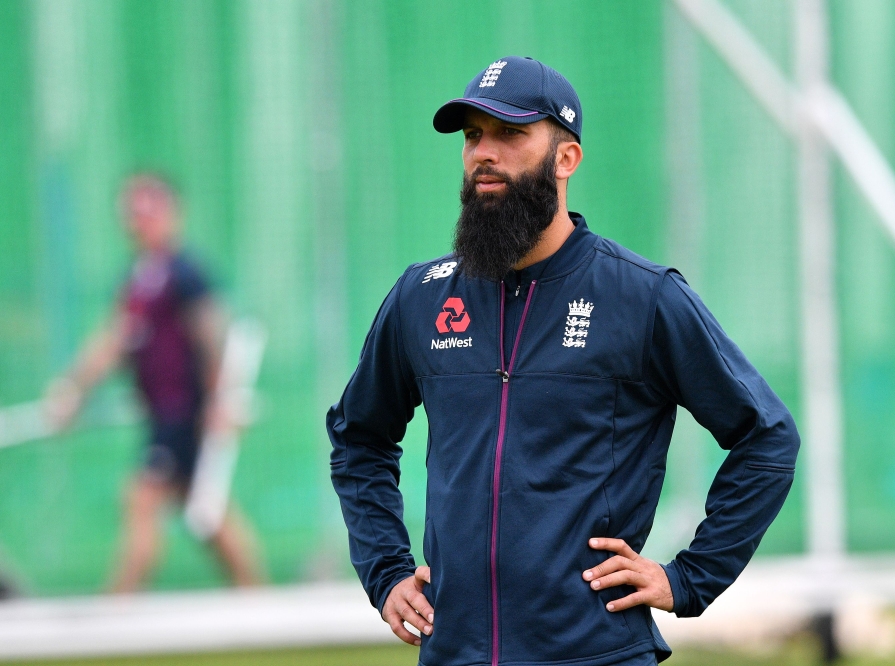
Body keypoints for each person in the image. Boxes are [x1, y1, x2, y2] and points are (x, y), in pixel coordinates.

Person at [328, 57, 800, 665]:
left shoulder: (643, 296)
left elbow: (766, 438)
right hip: (455, 654)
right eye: (473, 136)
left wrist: (689, 577)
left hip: (596, 653)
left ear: (566, 158)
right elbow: (358, 438)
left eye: (510, 133)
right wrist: (387, 571)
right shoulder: (422, 297)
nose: (483, 154)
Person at [46, 174, 264, 593]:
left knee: (142, 500)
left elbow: (213, 336)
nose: (139, 220)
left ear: (171, 212)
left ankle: (116, 614)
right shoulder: (136, 279)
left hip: (184, 414)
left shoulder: (185, 271)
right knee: (209, 516)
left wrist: (223, 402)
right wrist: (74, 389)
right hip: (162, 414)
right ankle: (259, 603)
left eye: (149, 209)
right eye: (133, 211)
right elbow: (114, 341)